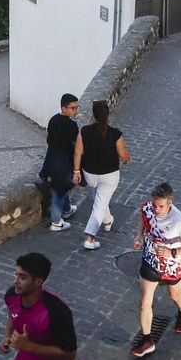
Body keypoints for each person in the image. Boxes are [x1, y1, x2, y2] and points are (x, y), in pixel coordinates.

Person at [129, 183, 181, 358]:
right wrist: (140, 234)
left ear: (170, 203)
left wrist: (173, 252)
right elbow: (144, 216)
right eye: (155, 204)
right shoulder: (148, 207)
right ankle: (147, 340)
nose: (156, 209)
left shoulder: (179, 222)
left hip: (172, 265)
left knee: (174, 295)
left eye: (161, 206)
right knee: (145, 302)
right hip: (151, 260)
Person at [72, 100, 131, 251]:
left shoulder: (84, 131)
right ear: (107, 114)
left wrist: (76, 171)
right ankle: (90, 238)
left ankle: (108, 221)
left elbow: (78, 152)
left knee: (99, 199)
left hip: (90, 174)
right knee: (99, 204)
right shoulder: (115, 133)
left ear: (93, 114)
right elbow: (122, 154)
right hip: (110, 175)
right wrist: (127, 158)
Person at [40, 93, 80, 231]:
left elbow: (49, 140)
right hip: (63, 162)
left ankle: (67, 210)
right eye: (73, 108)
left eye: (77, 107)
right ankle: (56, 222)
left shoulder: (53, 120)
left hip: (51, 158)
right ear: (64, 108)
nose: (76, 111)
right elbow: (75, 147)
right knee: (60, 190)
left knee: (62, 187)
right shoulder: (72, 126)